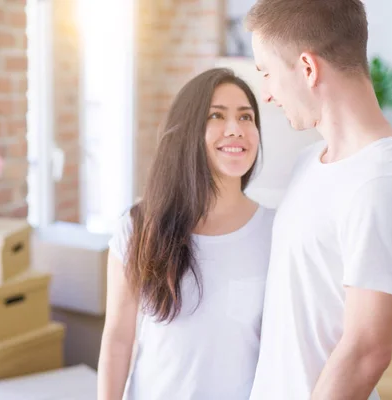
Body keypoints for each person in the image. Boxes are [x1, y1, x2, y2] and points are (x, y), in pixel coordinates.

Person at [245, 1, 392, 399]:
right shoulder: (309, 162)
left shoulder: (382, 185)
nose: (267, 94)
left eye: (267, 73)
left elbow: (367, 353)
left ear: (308, 68)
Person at [97, 68, 275, 400]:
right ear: (188, 131)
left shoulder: (277, 231)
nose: (235, 129)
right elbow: (118, 339)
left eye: (246, 117)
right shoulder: (138, 226)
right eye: (216, 116)